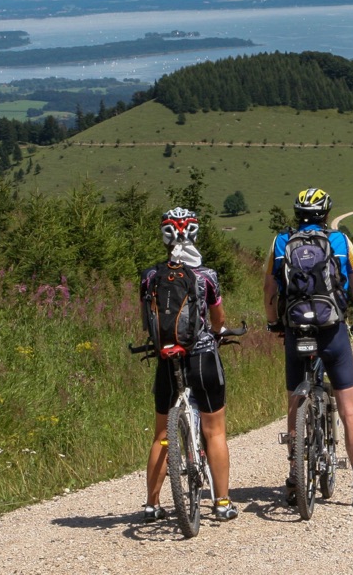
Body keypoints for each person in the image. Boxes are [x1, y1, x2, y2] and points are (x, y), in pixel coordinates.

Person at [263, 187, 353, 507]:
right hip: (332, 330)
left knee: (295, 401)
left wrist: (274, 323)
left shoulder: (282, 242)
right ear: (326, 215)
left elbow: (270, 290)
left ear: (297, 215)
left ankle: (293, 477)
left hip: (296, 329)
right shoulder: (340, 242)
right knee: (349, 409)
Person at [140, 207, 238, 523]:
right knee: (215, 431)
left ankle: (152, 505)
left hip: (168, 358)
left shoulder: (150, 276)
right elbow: (218, 319)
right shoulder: (206, 275)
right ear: (194, 234)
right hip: (203, 357)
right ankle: (222, 504)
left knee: (160, 435)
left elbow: (147, 321)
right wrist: (219, 333)